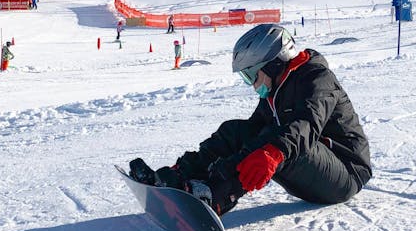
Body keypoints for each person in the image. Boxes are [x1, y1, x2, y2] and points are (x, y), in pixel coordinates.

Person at [128, 23, 372, 218]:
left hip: (345, 174)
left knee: (276, 143)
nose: (252, 84)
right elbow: (251, 131)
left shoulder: (318, 79)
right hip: (313, 168)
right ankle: (179, 178)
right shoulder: (277, 88)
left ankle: (215, 197)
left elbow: (306, 124)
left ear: (275, 64)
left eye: (252, 75)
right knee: (236, 131)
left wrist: (273, 152)